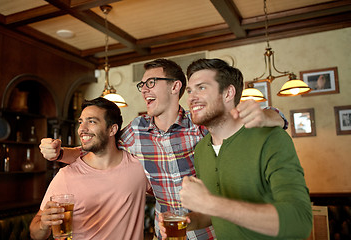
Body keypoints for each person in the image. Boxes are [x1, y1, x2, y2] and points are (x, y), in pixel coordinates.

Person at [39, 59, 287, 240]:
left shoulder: (199, 123)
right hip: (167, 233)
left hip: (210, 231)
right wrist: (60, 153)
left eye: (151, 82)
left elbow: (265, 118)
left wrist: (272, 117)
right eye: (142, 84)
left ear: (175, 86)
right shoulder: (137, 130)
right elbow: (99, 147)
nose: (144, 89)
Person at [159, 58, 312, 239]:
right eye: (190, 90)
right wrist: (189, 221)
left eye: (202, 88)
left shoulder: (271, 138)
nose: (191, 97)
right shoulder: (201, 150)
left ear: (228, 93)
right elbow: (218, 213)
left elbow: (300, 222)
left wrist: (210, 203)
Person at [30, 97, 150, 240]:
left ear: (112, 129)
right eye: (81, 122)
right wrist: (44, 224)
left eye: (92, 121)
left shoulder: (138, 167)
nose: (82, 129)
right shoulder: (66, 176)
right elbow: (35, 233)